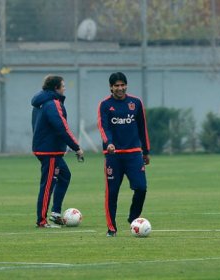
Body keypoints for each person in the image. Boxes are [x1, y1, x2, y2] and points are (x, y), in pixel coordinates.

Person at [97, 72, 150, 237]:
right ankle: (111, 229)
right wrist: (109, 143)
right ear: (111, 87)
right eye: (117, 86)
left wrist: (146, 151)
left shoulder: (135, 103)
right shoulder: (105, 105)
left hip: (134, 154)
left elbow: (143, 128)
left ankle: (134, 218)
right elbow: (103, 127)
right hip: (114, 156)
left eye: (122, 85)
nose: (120, 88)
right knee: (112, 193)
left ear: (126, 85)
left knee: (141, 188)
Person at [32, 74, 84, 228]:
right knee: (48, 185)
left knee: (65, 176)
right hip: (50, 152)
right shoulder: (52, 103)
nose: (64, 88)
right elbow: (62, 127)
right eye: (63, 86)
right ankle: (41, 221)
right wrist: (77, 147)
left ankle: (55, 213)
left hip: (47, 149)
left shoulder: (41, 102)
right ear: (56, 88)